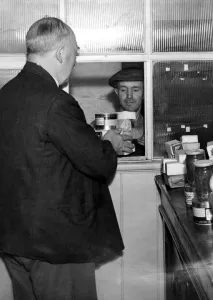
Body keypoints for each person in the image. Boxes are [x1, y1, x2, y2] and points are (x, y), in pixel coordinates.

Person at [0, 17, 133, 300]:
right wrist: (109, 142)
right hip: (55, 246)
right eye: (74, 55)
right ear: (61, 52)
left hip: (13, 238)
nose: (73, 63)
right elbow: (97, 162)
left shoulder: (5, 95)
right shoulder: (56, 102)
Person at [109, 67, 145, 155]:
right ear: (117, 92)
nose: (129, 96)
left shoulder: (153, 128)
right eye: (123, 90)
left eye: (135, 90)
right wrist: (107, 148)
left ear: (145, 93)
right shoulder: (101, 126)